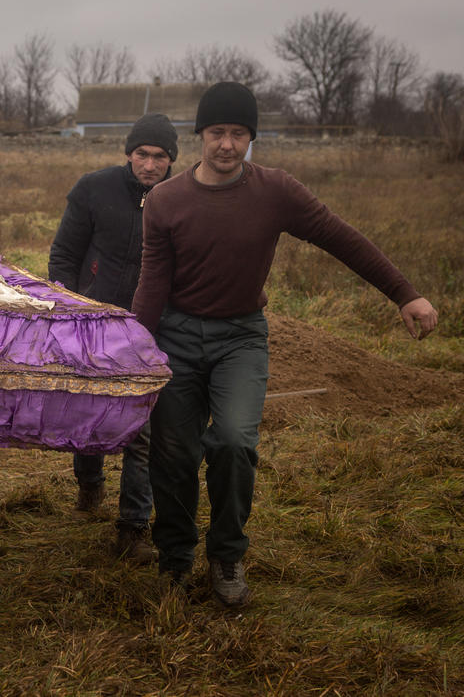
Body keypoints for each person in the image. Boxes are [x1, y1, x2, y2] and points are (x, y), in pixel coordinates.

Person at [131, 81, 438, 607]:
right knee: (173, 453)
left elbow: (341, 238)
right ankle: (174, 560)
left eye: (240, 134)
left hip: (240, 338)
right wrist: (132, 349)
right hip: (176, 339)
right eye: (218, 132)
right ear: (200, 134)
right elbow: (153, 281)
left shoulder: (277, 191)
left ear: (251, 137)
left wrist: (404, 294)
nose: (227, 144)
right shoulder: (165, 200)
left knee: (232, 442)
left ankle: (227, 557)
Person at [48, 113, 178, 564]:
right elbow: (64, 253)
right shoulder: (93, 189)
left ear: (171, 161)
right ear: (128, 153)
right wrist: (68, 307)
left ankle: (132, 527)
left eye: (159, 156)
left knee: (140, 429)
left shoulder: (181, 199)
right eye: (141, 154)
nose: (149, 164)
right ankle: (90, 483)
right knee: (89, 417)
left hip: (148, 329)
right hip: (93, 321)